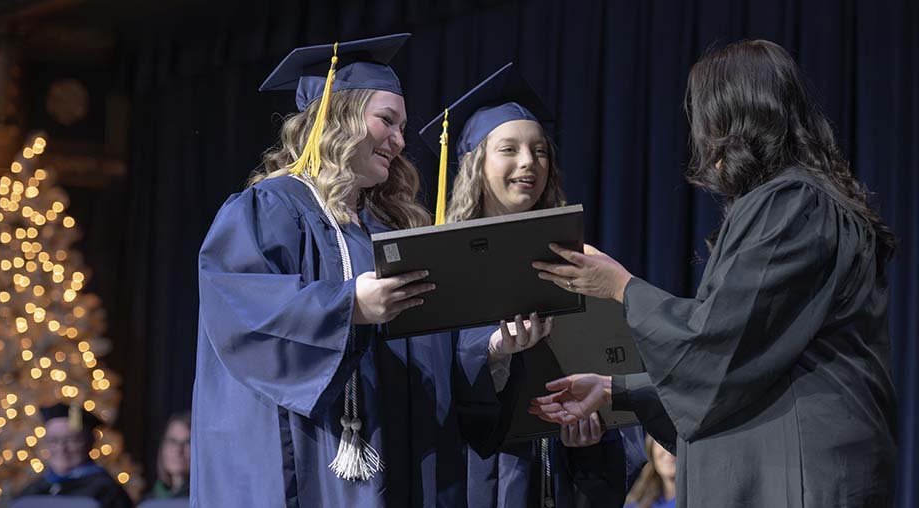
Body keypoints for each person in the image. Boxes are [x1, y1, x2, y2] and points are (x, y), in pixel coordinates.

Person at [529, 39, 898, 507]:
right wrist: (613, 391)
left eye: (705, 121)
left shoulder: (793, 204)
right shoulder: (803, 202)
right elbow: (746, 361)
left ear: (735, 118)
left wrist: (620, 287)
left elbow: (720, 346)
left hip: (799, 475)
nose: (702, 141)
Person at [191, 34, 549, 507]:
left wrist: (493, 352)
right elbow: (242, 311)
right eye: (387, 121)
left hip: (400, 469)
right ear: (336, 115)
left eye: (402, 127)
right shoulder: (268, 209)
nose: (400, 141)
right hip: (313, 464)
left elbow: (433, 360)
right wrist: (349, 306)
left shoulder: (390, 232)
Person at [420, 63, 644, 508]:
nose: (529, 162)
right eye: (510, 149)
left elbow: (614, 374)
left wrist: (593, 438)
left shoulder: (580, 265)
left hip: (556, 473)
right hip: (472, 474)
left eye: (540, 151)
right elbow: (430, 388)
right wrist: (494, 353)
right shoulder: (441, 269)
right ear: (474, 163)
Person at [17, 402, 132, 508]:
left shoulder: (105, 490)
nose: (61, 448)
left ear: (89, 442)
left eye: (71, 440)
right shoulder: (34, 490)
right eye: (53, 440)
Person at [144, 412, 190, 500]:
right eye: (172, 441)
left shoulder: (206, 500)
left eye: (188, 442)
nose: (178, 450)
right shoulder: (149, 501)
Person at [624, 435, 676, 508]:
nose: (668, 452)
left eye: (676, 443)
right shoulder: (636, 503)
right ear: (651, 451)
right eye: (663, 443)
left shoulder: (695, 500)